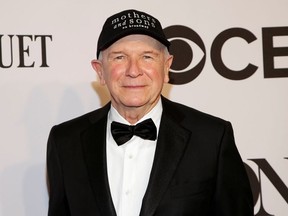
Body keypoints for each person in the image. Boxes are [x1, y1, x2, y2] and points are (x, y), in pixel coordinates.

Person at [46, 9, 254, 216]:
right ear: (100, 71)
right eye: (119, 57)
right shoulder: (65, 142)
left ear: (166, 68)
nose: (133, 70)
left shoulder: (211, 138)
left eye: (147, 57)